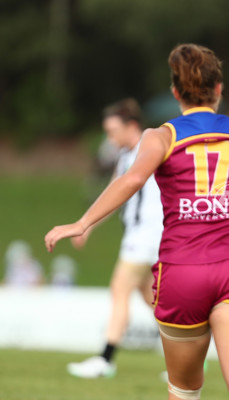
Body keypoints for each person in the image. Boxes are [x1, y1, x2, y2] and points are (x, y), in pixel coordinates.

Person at [45, 43, 229, 400]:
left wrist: (82, 223)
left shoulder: (160, 136)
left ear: (176, 92)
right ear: (219, 89)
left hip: (182, 270)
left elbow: (129, 180)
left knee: (184, 388)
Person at [65, 99, 163, 379]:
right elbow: (113, 193)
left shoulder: (149, 148)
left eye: (113, 131)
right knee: (153, 300)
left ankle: (105, 359)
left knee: (120, 289)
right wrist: (88, 225)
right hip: (141, 235)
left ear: (131, 126)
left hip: (147, 235)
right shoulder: (126, 155)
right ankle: (190, 353)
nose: (110, 138)